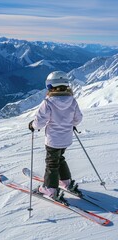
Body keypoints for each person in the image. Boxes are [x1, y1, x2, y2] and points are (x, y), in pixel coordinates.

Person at [28, 71, 83, 199]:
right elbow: (78, 119)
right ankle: (65, 181)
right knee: (60, 158)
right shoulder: (72, 101)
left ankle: (50, 189)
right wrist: (71, 123)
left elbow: (40, 121)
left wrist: (32, 125)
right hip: (66, 138)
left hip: (53, 140)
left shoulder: (48, 102)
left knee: (51, 163)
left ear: (50, 86)